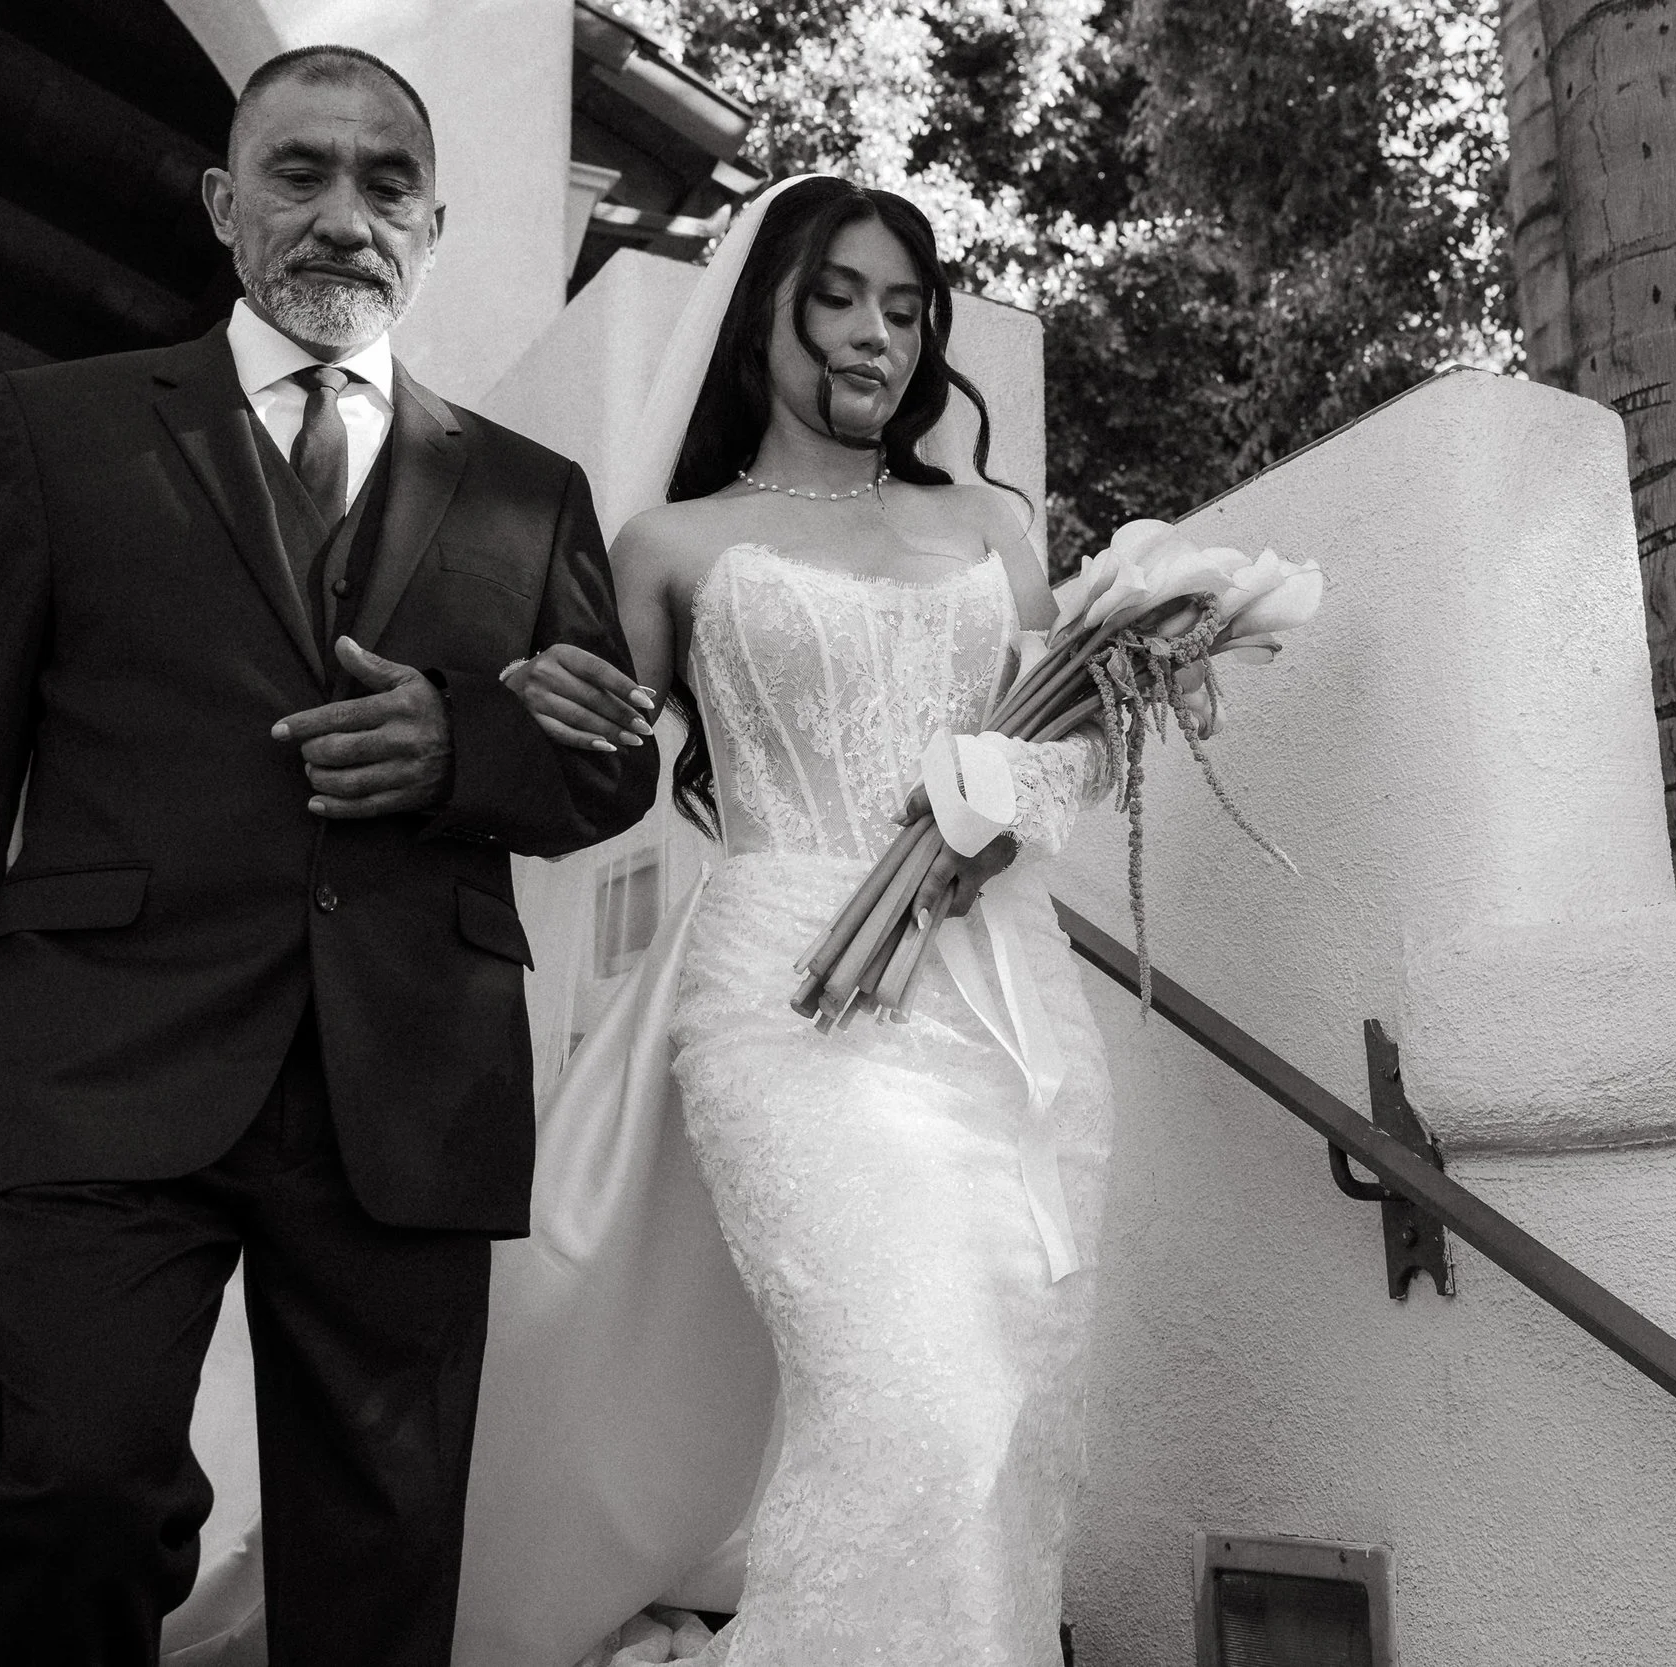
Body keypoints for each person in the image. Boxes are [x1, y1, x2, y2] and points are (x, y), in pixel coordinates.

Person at [0, 45, 657, 1666]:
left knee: (381, 1545)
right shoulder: (59, 431)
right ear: (224, 204)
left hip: (409, 1076)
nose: (344, 215)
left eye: (386, 183)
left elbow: (603, 768)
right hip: (104, 1055)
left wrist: (461, 746)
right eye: (300, 172)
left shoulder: (529, 490)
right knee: (65, 1489)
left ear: (432, 224)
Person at [487, 174, 1214, 1665]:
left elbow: (1073, 744)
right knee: (905, 1392)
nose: (877, 334)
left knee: (1010, 1402)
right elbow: (602, 770)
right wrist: (543, 718)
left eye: (903, 305)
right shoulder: (671, 545)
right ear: (764, 317)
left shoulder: (990, 527)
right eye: (839, 298)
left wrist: (999, 795)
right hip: (785, 997)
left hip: (1002, 1001)